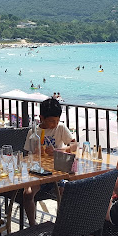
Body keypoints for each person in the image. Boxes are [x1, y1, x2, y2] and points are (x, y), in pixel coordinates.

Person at [22, 97, 76, 226]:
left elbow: (74, 145)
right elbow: (26, 155)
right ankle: (33, 225)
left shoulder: (60, 128)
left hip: (57, 172)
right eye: (52, 121)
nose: (55, 124)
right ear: (41, 118)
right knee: (27, 194)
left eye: (57, 120)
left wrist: (58, 150)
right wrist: (35, 153)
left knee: (66, 192)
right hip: (38, 173)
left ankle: (61, 224)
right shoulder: (33, 132)